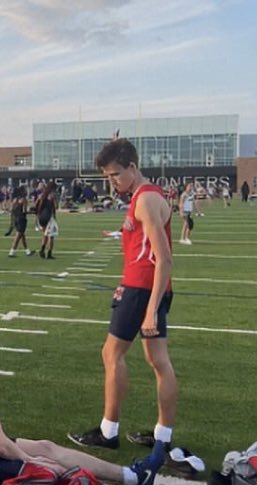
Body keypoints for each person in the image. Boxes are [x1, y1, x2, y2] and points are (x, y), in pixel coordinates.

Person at [0, 319, 198, 485]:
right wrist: (29, 460)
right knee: (62, 474)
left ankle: (132, 476)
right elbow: (0, 446)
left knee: (46, 447)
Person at [69, 139, 178, 461]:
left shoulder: (144, 200)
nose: (111, 181)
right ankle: (162, 436)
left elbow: (165, 259)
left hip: (140, 287)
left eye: (115, 174)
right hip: (149, 287)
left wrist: (150, 311)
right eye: (107, 176)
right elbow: (147, 240)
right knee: (158, 361)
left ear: (132, 166)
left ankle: (108, 431)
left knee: (111, 354)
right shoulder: (150, 196)